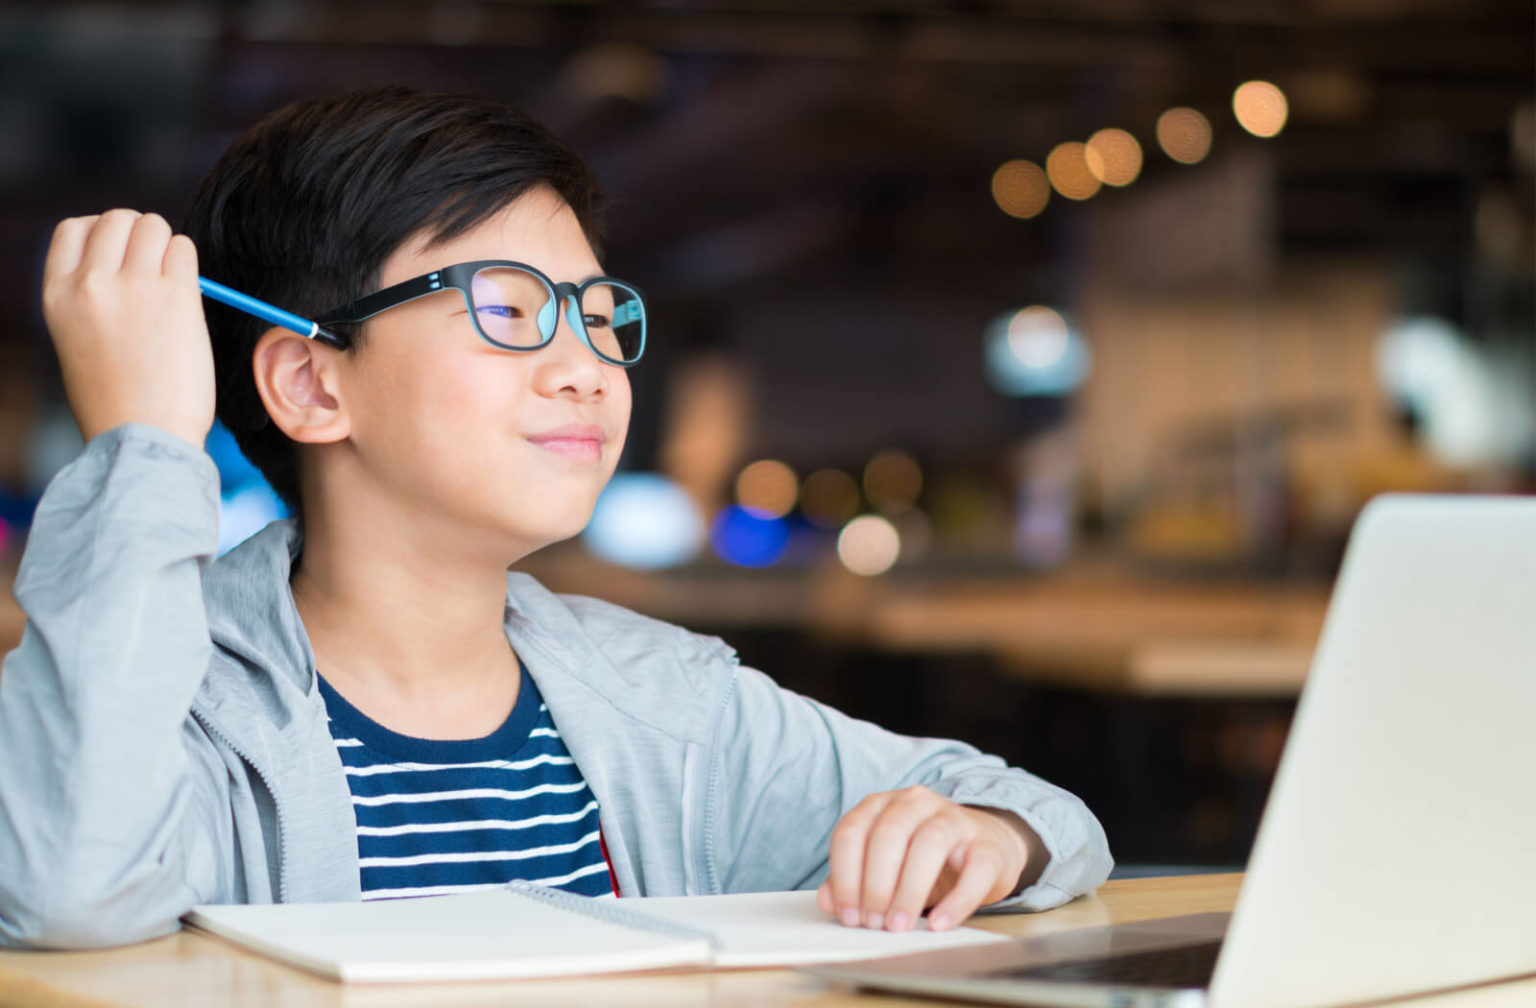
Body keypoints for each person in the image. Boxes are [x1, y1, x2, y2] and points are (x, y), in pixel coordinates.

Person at [0, 87, 1111, 949]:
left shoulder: (668, 709)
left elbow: (1043, 815)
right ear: (310, 384)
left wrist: (984, 838)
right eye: (508, 308)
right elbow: (67, 891)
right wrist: (142, 447)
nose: (587, 366)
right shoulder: (166, 706)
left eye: (596, 312)